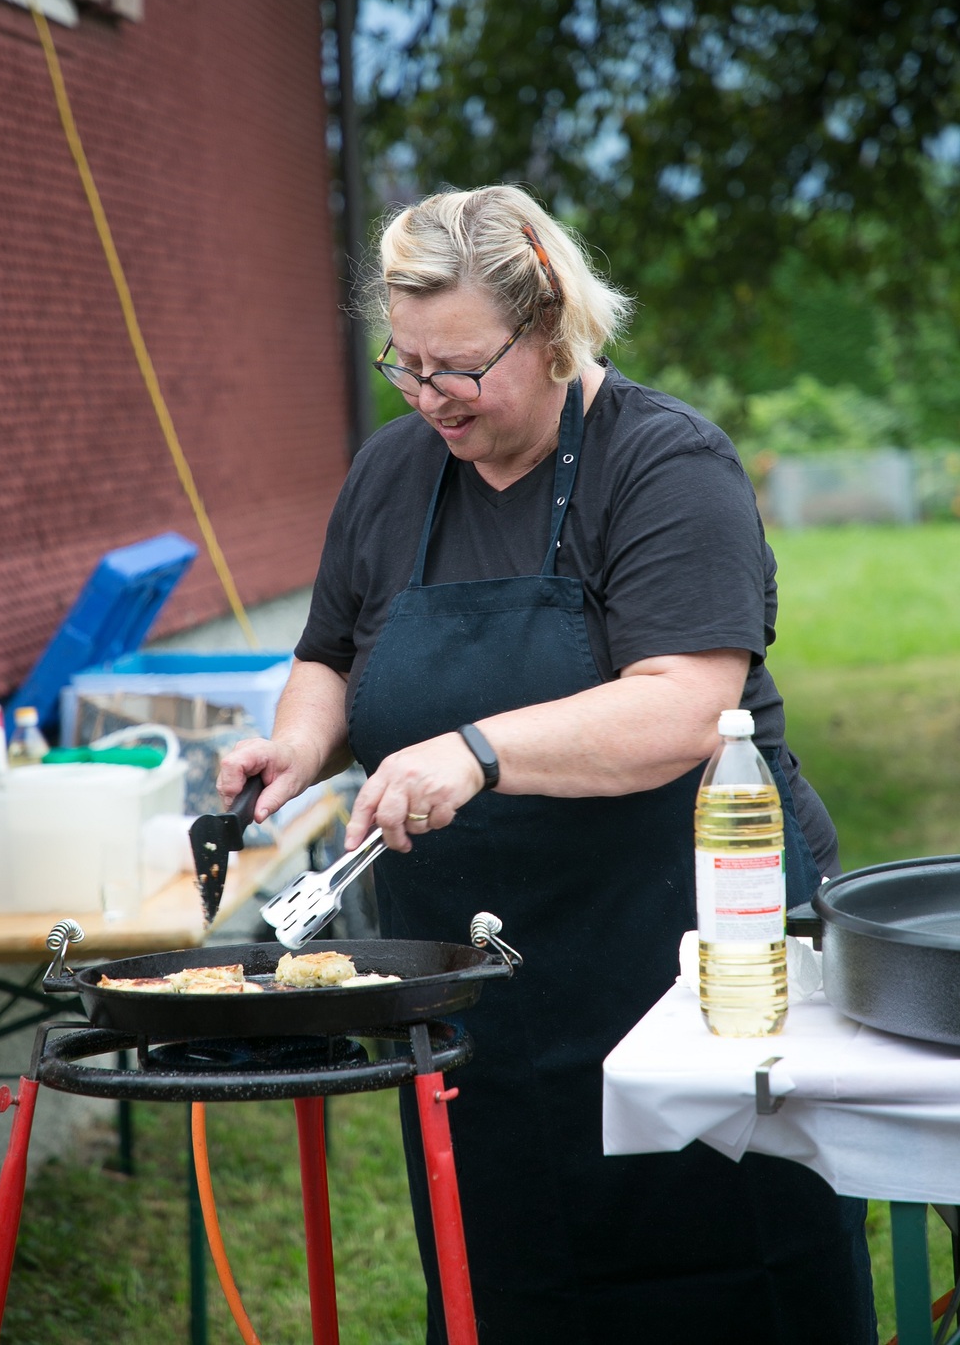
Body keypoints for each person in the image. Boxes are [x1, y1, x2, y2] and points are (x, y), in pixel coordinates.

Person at [218, 185, 876, 1344]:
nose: (430, 396)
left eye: (460, 369)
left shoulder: (666, 464)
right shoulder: (391, 471)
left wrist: (476, 752)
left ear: (554, 329)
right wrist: (301, 743)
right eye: (406, 365)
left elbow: (685, 706)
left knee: (734, 1282)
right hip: (479, 995)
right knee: (509, 1281)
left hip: (689, 974)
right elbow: (328, 655)